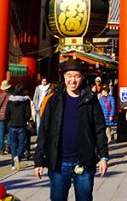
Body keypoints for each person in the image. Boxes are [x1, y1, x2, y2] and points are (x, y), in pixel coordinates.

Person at [34, 59, 109, 201]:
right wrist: (39, 160)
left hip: (84, 162)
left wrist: (104, 157)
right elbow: (44, 130)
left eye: (77, 76)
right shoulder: (54, 100)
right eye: (69, 76)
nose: (72, 80)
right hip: (58, 163)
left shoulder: (90, 100)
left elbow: (99, 130)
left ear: (82, 77)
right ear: (63, 76)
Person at [6, 83, 33, 171]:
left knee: (13, 144)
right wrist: (25, 120)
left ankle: (13, 163)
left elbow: (7, 113)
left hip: (12, 124)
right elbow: (28, 113)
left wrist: (9, 120)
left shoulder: (10, 100)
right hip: (22, 124)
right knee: (22, 143)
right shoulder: (26, 100)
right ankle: (18, 157)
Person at [0, 80, 12, 156]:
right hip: (9, 116)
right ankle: (8, 146)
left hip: (0, 117)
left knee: (1, 134)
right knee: (9, 132)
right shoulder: (11, 96)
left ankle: (1, 150)